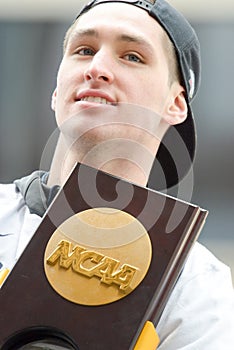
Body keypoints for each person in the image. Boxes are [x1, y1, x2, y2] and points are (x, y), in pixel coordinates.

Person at [0, 0, 234, 348]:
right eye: (83, 50)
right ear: (55, 91)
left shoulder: (195, 285)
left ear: (176, 104)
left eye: (132, 57)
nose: (97, 67)